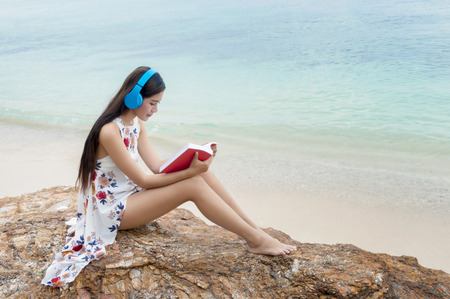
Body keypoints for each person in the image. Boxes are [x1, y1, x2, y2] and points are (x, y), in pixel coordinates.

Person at [41, 66, 296, 288]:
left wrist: (193, 158)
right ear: (132, 97)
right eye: (152, 103)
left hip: (130, 197)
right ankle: (256, 241)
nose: (155, 110)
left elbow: (156, 166)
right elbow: (145, 180)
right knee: (194, 182)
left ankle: (254, 229)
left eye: (158, 104)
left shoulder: (136, 125)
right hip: (111, 211)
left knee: (202, 174)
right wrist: (191, 173)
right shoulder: (109, 131)